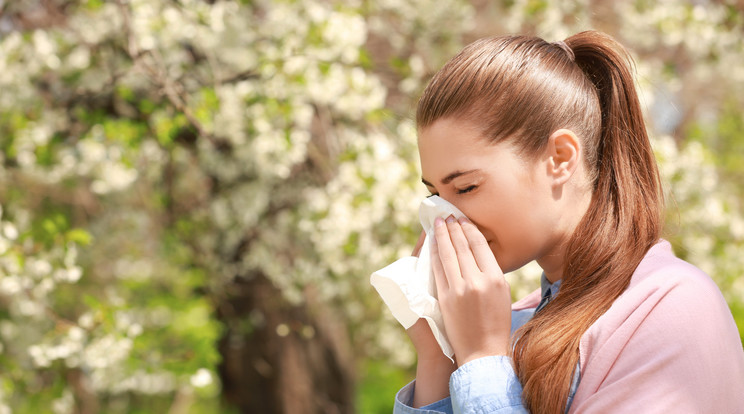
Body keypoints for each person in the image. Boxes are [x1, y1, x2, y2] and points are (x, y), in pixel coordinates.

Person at [392, 30, 744, 414]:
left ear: (560, 158)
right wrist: (438, 355)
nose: (447, 217)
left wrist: (481, 359)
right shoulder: (517, 321)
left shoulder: (670, 308)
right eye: (434, 196)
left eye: (466, 187)